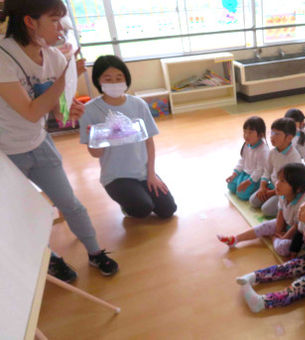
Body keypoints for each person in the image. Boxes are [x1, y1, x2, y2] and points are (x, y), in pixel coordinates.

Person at [0, 0, 118, 282]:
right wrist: (65, 78)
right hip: (7, 154)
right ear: (30, 21)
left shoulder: (53, 57)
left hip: (39, 144)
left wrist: (69, 107)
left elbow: (53, 106)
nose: (61, 28)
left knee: (70, 203)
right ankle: (51, 260)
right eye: (54, 20)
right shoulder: (4, 58)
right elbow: (30, 112)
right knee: (27, 215)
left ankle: (95, 251)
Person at [79, 55, 176, 219]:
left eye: (119, 78)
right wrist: (96, 137)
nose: (114, 83)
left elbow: (149, 142)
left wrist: (151, 174)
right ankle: (127, 203)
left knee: (168, 210)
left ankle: (140, 190)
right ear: (98, 81)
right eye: (107, 79)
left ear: (126, 79)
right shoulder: (89, 110)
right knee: (143, 208)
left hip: (144, 172)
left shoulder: (138, 104)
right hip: (116, 176)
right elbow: (96, 154)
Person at [218, 163, 305, 257]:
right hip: (287, 223)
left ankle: (273, 237)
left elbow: (297, 226)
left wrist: (283, 237)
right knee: (264, 226)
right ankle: (235, 239)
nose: (277, 183)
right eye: (278, 179)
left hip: (299, 233)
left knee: (283, 248)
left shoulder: (302, 203)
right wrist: (279, 231)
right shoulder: (282, 194)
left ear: (298, 189)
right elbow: (281, 212)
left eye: (283, 181)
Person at [249, 117, 301, 218]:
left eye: (278, 134)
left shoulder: (294, 157)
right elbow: (267, 171)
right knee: (253, 201)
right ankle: (270, 196)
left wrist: (272, 193)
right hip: (273, 186)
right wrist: (262, 187)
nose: (272, 137)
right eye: (272, 133)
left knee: (266, 210)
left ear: (289, 138)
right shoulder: (272, 152)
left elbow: (291, 184)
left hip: (285, 191)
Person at [226, 116, 269, 201]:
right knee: (230, 185)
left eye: (250, 133)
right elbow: (242, 161)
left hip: (256, 178)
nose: (246, 136)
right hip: (245, 174)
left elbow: (260, 171)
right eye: (245, 132)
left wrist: (248, 182)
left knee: (241, 194)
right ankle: (243, 185)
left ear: (260, 134)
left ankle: (261, 188)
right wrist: (234, 174)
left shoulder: (263, 150)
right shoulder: (246, 145)